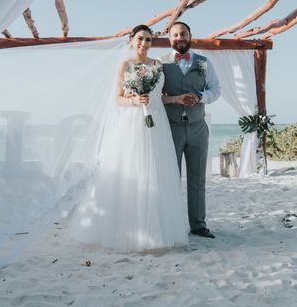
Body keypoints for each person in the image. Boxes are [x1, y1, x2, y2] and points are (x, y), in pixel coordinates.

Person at [66, 25, 188, 252]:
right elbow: (118, 100)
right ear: (131, 40)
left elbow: (159, 97)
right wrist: (134, 101)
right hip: (132, 124)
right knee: (133, 171)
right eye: (140, 39)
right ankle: (126, 230)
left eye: (148, 40)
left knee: (157, 173)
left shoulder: (157, 65)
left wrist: (176, 99)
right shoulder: (125, 65)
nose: (144, 43)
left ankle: (158, 230)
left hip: (156, 124)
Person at [161, 22, 221, 239]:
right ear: (170, 39)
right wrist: (175, 99)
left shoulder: (204, 63)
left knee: (197, 179)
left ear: (190, 35)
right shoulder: (161, 63)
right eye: (175, 35)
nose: (180, 38)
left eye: (183, 33)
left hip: (198, 127)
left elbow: (215, 89)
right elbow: (155, 96)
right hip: (171, 128)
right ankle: (171, 224)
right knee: (170, 178)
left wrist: (201, 97)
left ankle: (198, 225)